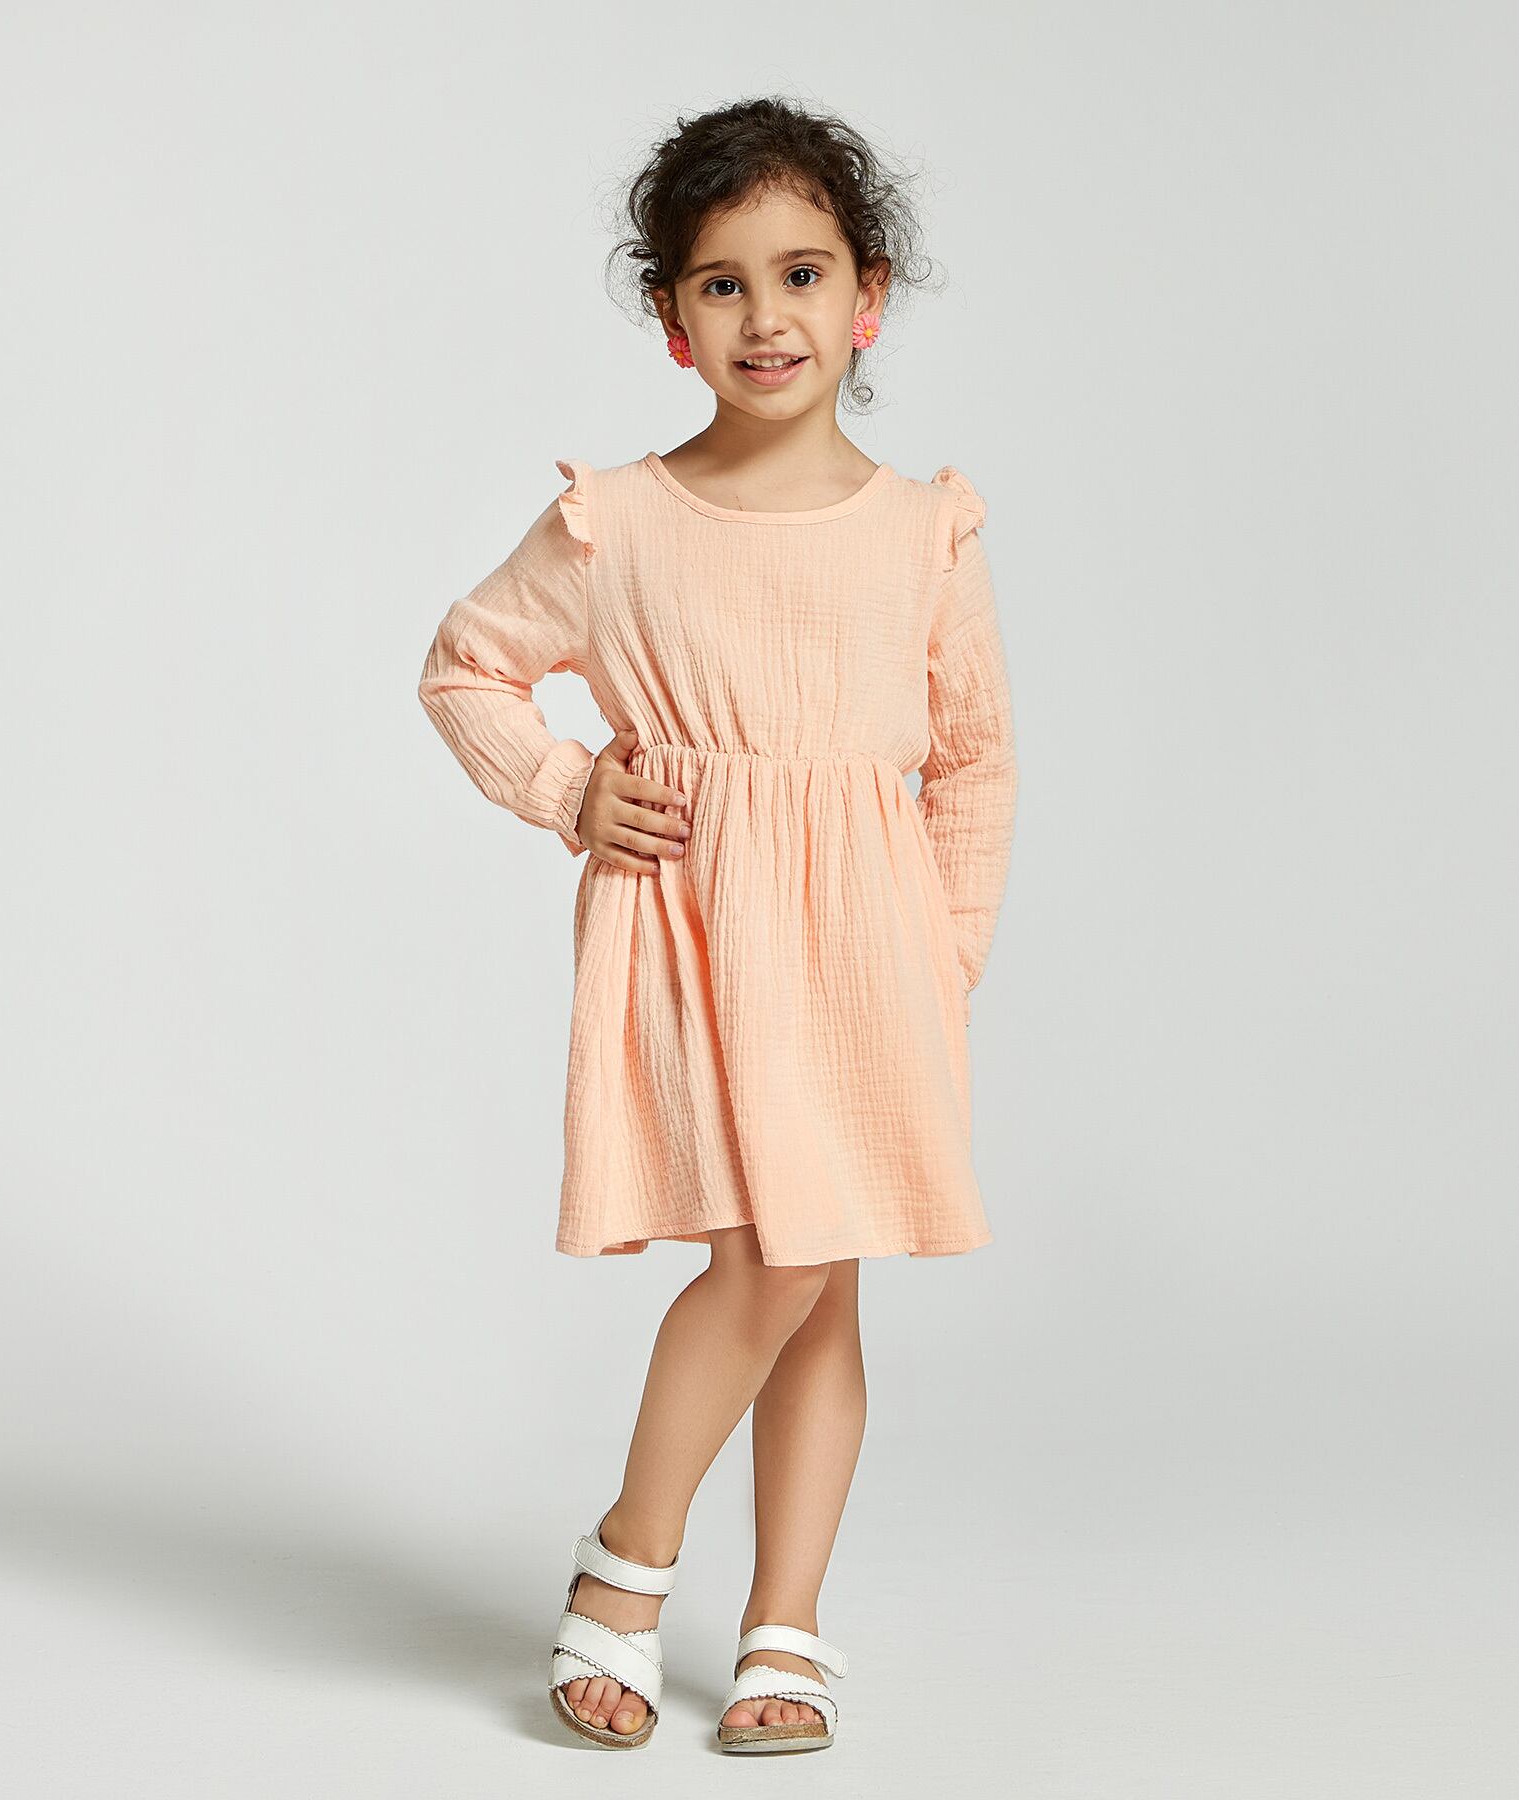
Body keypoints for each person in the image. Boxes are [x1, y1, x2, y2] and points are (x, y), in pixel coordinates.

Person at [415, 95, 1018, 1755]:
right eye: (724, 283)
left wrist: (943, 959)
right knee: (774, 1258)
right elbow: (467, 666)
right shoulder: (620, 522)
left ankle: (783, 1625)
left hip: (871, 959)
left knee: (825, 1281)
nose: (768, 316)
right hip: (695, 931)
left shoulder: (924, 533)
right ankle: (629, 1562)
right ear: (674, 319)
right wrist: (565, 789)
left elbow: (974, 763)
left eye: (802, 273)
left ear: (868, 297)